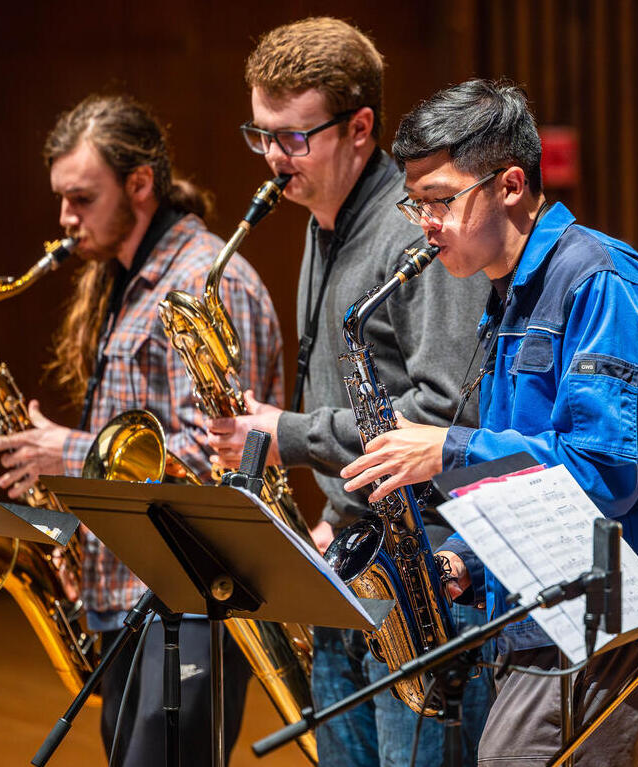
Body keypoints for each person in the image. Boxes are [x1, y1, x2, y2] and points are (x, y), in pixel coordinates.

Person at [340, 78, 638, 766]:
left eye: (442, 200)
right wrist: (467, 566)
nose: (427, 223)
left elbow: (605, 474)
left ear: (510, 185)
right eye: (415, 203)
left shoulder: (597, 280)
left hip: (611, 631)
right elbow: (534, 491)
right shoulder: (510, 296)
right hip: (552, 623)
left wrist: (449, 448)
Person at [204, 17, 492, 767]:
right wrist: (334, 517)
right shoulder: (320, 222)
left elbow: (443, 414)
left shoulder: (415, 233)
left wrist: (286, 431)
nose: (273, 157)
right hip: (352, 557)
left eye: (294, 137)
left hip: (425, 576)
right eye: (261, 133)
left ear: (360, 127)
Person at [0, 94, 281, 764]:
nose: (64, 219)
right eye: (61, 198)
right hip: (127, 598)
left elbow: (223, 463)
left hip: (189, 607)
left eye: (82, 198)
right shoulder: (126, 283)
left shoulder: (205, 285)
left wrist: (72, 450)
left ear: (140, 183)